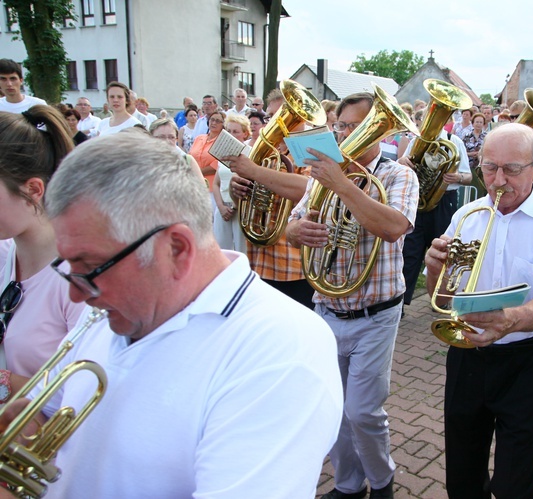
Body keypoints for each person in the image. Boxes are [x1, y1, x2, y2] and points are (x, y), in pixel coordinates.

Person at [0, 132, 344, 499]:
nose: (75, 294)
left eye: (91, 268)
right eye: (69, 268)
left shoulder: (282, 346)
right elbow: (44, 412)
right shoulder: (111, 311)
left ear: (176, 249)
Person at [424, 123, 533, 498]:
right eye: (489, 168)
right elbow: (443, 300)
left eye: (511, 169)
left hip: (529, 360)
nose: (498, 180)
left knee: (516, 483)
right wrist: (434, 270)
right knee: (461, 475)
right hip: (468, 355)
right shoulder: (467, 215)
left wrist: (509, 321)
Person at [286, 92, 419, 499]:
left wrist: (342, 185)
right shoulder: (323, 176)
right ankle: (347, 485)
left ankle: (381, 482)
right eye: (341, 126)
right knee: (333, 409)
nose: (345, 134)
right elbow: (291, 226)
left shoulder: (398, 176)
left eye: (355, 126)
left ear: (379, 132)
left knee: (362, 411)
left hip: (375, 313)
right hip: (328, 307)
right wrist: (298, 233)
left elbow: (394, 227)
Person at [0, 105, 87, 404]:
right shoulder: (6, 252)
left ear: (33, 189)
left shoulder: (79, 278)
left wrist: (7, 385)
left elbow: (88, 394)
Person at [225, 90, 317, 310]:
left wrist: (255, 172)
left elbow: (309, 191)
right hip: (259, 260)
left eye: (278, 115)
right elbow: (248, 204)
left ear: (300, 117)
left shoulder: (312, 150)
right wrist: (236, 191)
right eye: (270, 116)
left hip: (295, 267)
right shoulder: (265, 152)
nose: (270, 123)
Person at [399, 120, 472, 311]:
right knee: (410, 252)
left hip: (443, 201)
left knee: (443, 251)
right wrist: (402, 162)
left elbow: (468, 176)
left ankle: (441, 299)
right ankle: (401, 302)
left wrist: (457, 177)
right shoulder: (416, 142)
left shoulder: (454, 141)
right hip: (418, 200)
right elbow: (402, 165)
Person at [212, 113, 251, 252]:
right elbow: (216, 183)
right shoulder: (223, 153)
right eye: (228, 131)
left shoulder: (249, 153)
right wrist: (221, 207)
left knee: (241, 250)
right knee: (221, 249)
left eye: (235, 131)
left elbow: (248, 184)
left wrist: (234, 207)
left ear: (245, 134)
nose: (231, 134)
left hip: (240, 208)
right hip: (223, 206)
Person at [190, 110, 225, 189]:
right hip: (193, 184)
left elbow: (216, 165)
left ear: (223, 125)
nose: (214, 123)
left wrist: (196, 172)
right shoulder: (199, 138)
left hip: (211, 186)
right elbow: (190, 156)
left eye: (218, 121)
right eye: (212, 119)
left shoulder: (223, 141)